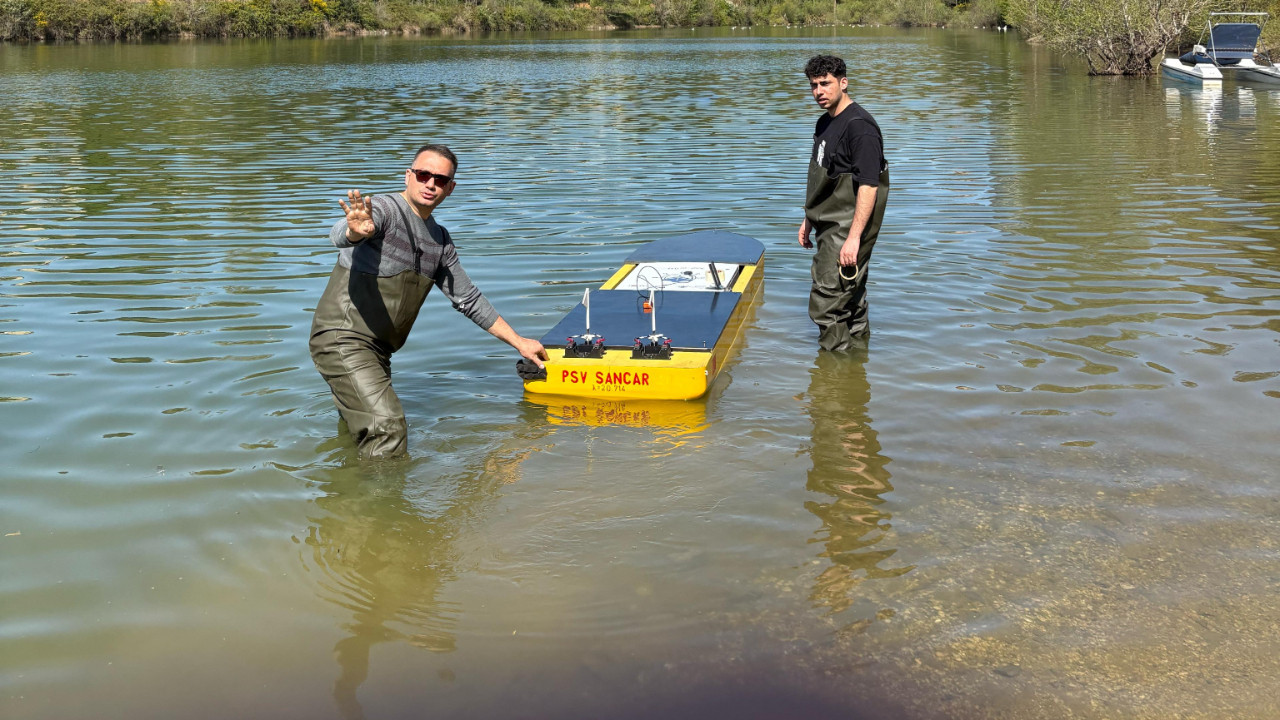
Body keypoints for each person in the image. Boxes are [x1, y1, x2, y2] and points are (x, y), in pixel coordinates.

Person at [309, 143, 547, 458]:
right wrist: (356, 232)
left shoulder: (440, 241)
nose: (430, 183)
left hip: (378, 352)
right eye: (423, 174)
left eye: (440, 179)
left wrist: (519, 342)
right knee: (387, 429)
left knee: (359, 432)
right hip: (343, 340)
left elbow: (469, 299)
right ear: (409, 176)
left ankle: (345, 499)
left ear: (451, 187)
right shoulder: (384, 210)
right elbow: (342, 232)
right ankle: (382, 506)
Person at [798, 54, 890, 351]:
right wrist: (809, 218)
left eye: (825, 84)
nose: (819, 92)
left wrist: (853, 238)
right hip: (828, 221)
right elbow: (822, 177)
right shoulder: (825, 123)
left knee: (826, 302)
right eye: (814, 85)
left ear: (843, 82)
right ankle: (856, 370)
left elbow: (869, 186)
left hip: (847, 227)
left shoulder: (860, 128)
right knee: (850, 297)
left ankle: (832, 386)